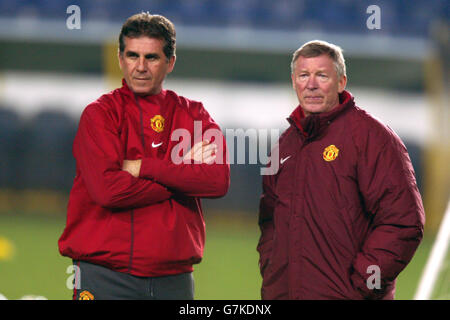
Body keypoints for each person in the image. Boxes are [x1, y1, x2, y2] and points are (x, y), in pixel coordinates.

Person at [58, 12, 230, 300]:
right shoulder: (99, 115)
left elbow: (217, 181)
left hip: (174, 281)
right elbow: (107, 191)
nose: (140, 67)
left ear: (170, 62)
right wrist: (182, 170)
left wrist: (143, 167)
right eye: (132, 55)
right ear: (120, 58)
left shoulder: (194, 114)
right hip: (104, 276)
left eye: (151, 57)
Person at [257, 40, 425, 300]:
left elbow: (403, 222)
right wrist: (272, 271)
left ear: (341, 82)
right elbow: (269, 221)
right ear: (294, 81)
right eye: (304, 75)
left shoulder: (372, 137)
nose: (311, 84)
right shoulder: (285, 144)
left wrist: (360, 284)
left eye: (322, 75)